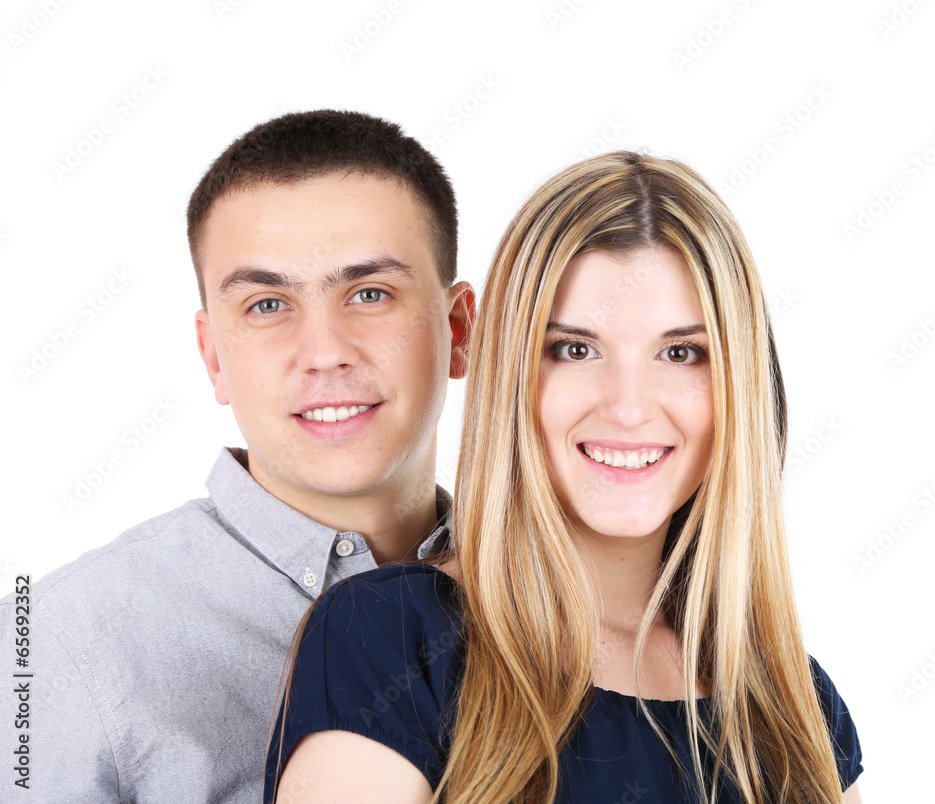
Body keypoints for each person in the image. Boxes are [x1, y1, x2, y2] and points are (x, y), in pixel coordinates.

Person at [264, 151, 864, 803]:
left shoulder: (796, 706)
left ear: (737, 388)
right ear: (514, 378)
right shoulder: (389, 638)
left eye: (681, 353)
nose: (629, 407)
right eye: (576, 350)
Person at [0, 110, 474, 801]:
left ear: (458, 330)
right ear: (213, 357)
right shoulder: (58, 643)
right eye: (266, 305)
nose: (325, 352)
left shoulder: (564, 598)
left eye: (370, 294)